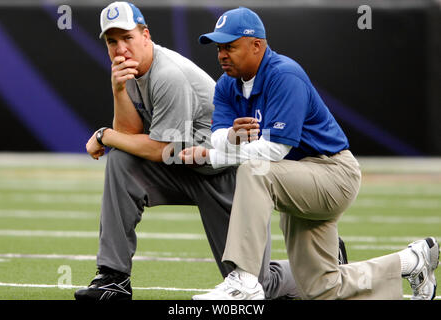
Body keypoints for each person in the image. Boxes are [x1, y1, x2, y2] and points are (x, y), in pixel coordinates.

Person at [180, 7, 439, 300]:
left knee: (254, 170)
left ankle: (245, 279)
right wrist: (229, 137)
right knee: (321, 289)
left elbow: (276, 150)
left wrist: (213, 156)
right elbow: (218, 136)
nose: (222, 55)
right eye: (219, 48)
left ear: (257, 45)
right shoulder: (227, 84)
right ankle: (412, 261)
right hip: (295, 178)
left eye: (230, 46)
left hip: (332, 173)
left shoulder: (284, 74)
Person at [74, 1, 305, 301]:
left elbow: (160, 149)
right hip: (182, 165)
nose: (120, 49)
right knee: (121, 161)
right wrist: (118, 91)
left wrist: (104, 135)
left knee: (257, 285)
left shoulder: (168, 74)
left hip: (222, 173)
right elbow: (130, 136)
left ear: (146, 35)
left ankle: (319, 265)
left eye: (127, 38)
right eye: (112, 41)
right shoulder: (129, 71)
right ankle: (113, 278)